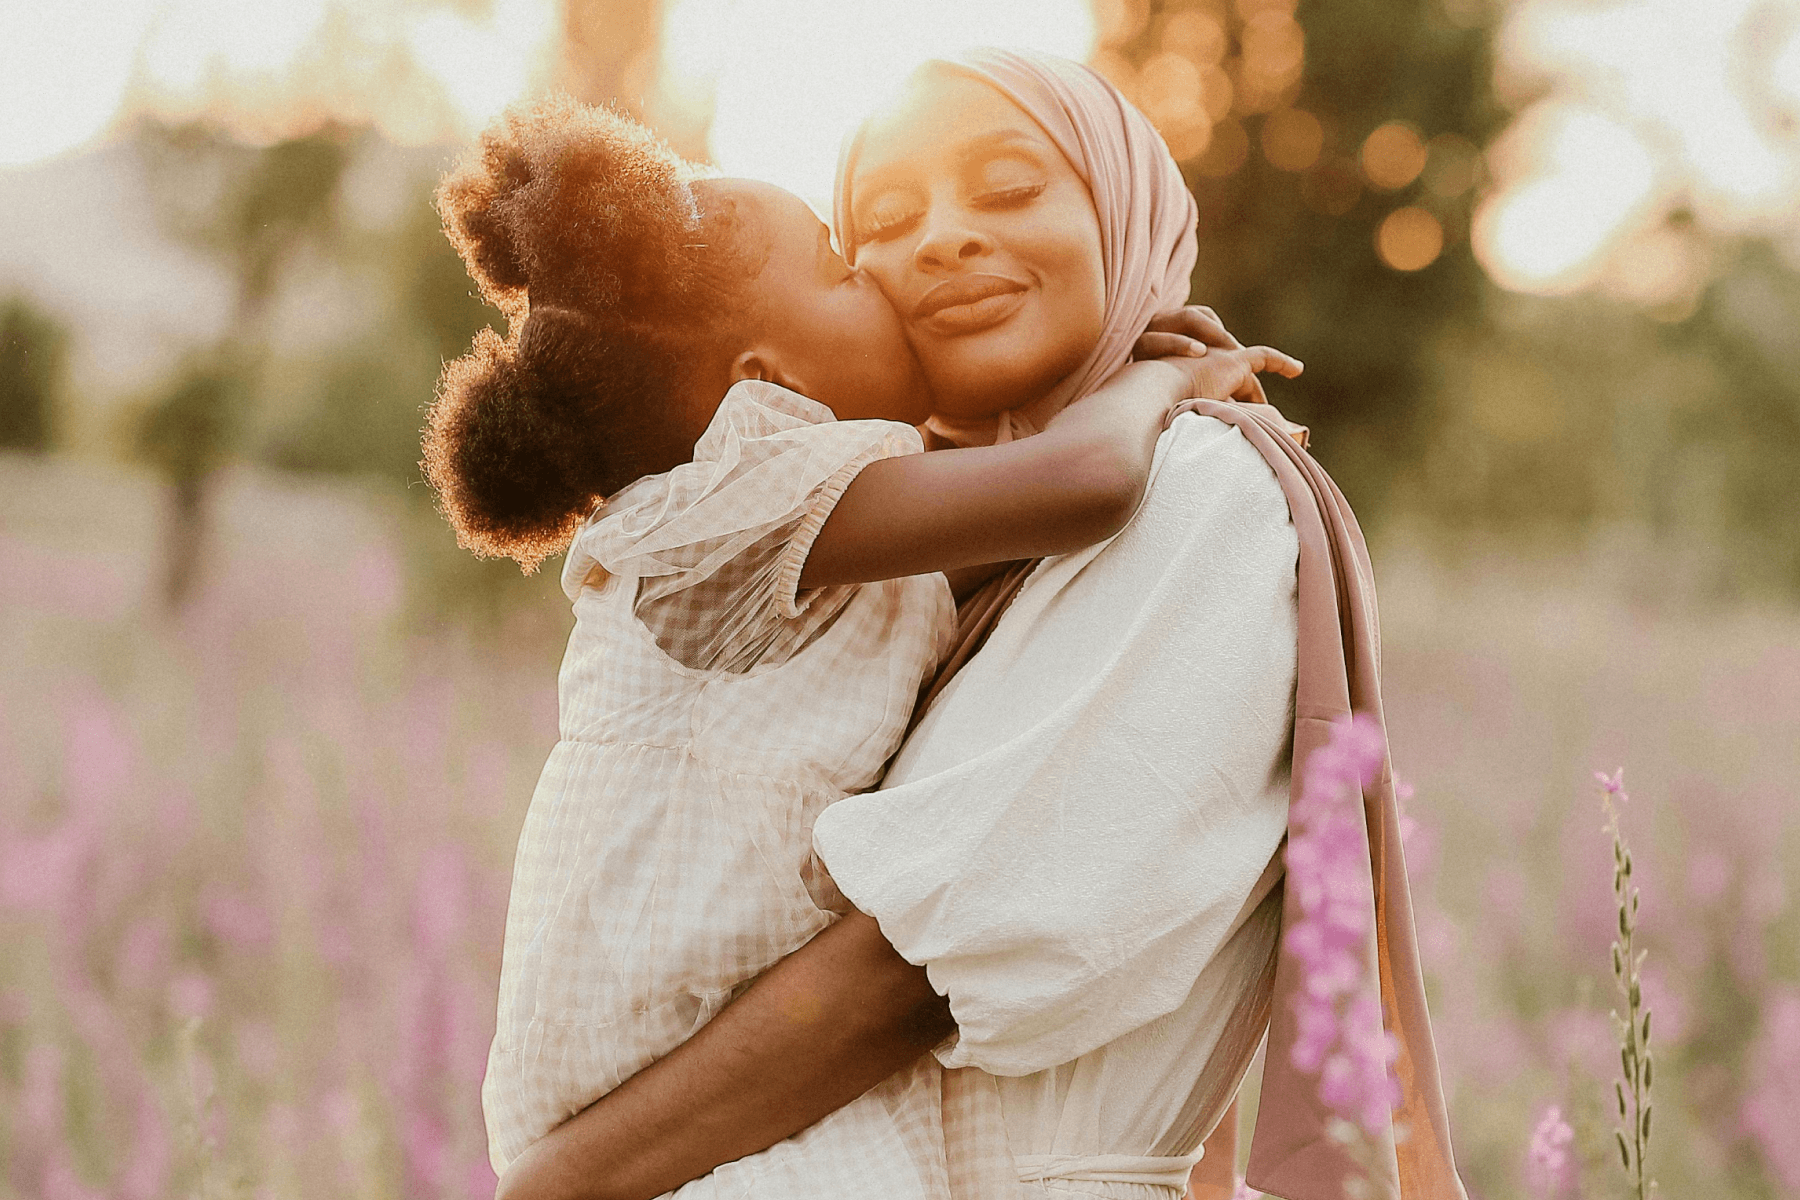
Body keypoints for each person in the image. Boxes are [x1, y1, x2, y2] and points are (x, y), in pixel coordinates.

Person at [496, 49, 1466, 1200]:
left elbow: (904, 976)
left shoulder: (1202, 493)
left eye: (1009, 189)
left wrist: (566, 1178)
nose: (943, 240)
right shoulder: (893, 535)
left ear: (1125, 210)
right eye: (881, 227)